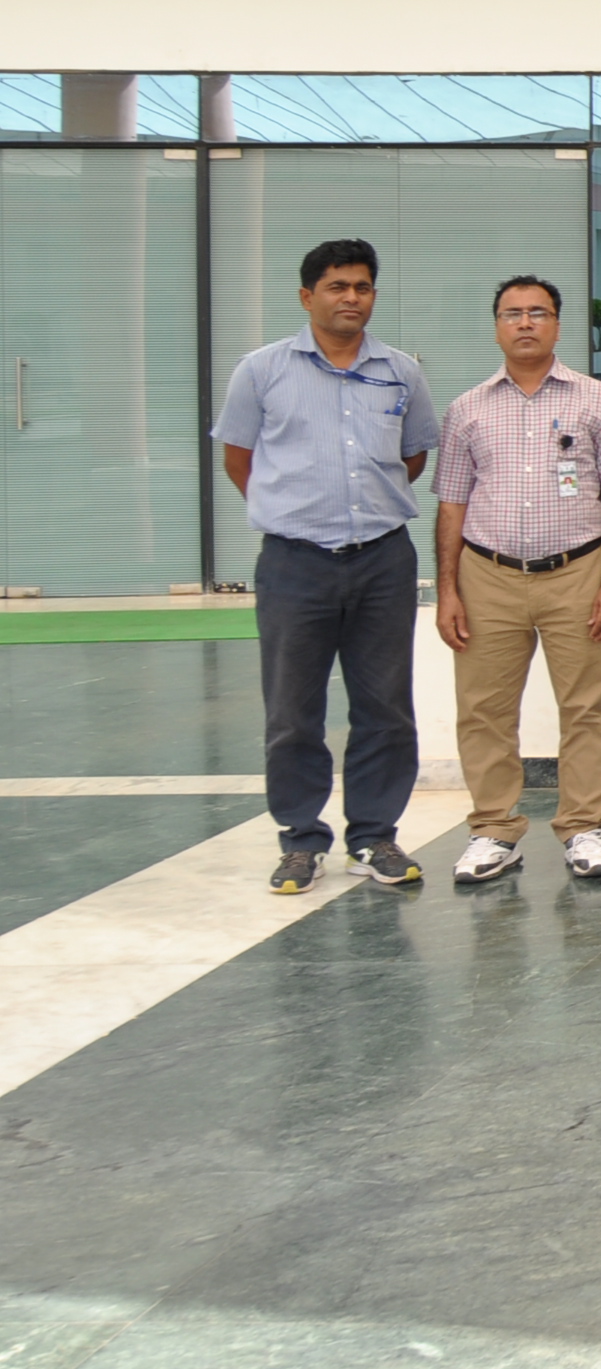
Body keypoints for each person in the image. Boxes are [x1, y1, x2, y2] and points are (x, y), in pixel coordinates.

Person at [215, 238, 442, 894]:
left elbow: (413, 456)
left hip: (382, 561)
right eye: (338, 287)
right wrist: (293, 510)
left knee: (386, 707)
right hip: (294, 564)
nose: (351, 298)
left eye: (362, 287)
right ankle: (300, 839)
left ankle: (374, 835)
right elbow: (238, 459)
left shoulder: (401, 372)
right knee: (292, 710)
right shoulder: (261, 371)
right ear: (306, 296)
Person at [431, 276, 601, 885]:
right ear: (496, 326)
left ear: (557, 324)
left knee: (588, 707)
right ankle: (493, 831)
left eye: (538, 313)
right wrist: (447, 590)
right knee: (483, 710)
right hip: (487, 575)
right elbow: (451, 504)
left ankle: (584, 827)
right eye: (512, 314)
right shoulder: (467, 409)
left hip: (577, 573)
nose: (525, 323)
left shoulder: (599, 401)